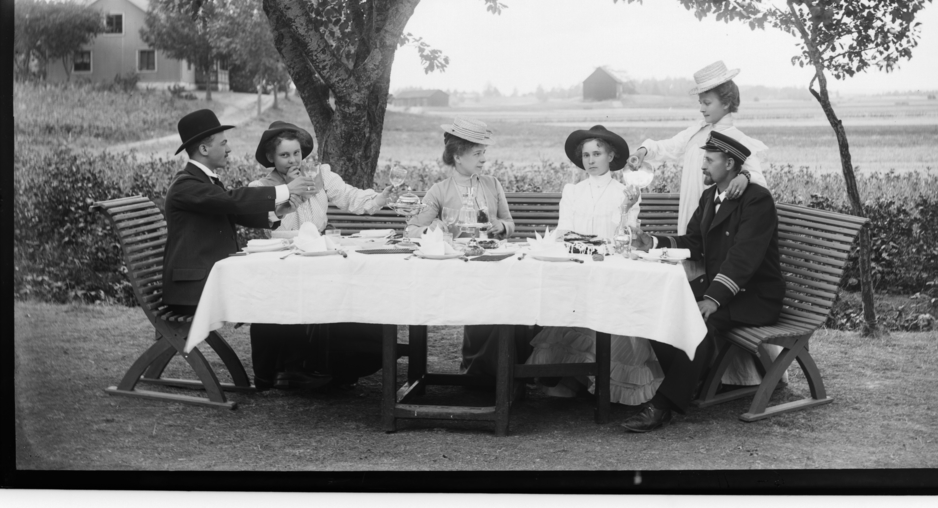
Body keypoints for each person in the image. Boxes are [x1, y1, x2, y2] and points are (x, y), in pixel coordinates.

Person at [620, 132, 784, 433]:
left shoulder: (757, 200)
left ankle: (662, 405)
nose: (702, 166)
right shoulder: (710, 197)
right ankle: (692, 381)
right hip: (722, 288)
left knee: (698, 320)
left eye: (709, 160)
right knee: (657, 306)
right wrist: (651, 241)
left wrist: (713, 299)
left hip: (754, 296)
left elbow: (743, 258)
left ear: (730, 164)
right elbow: (694, 242)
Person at [628, 59, 777, 386]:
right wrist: (643, 151)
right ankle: (702, 376)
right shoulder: (698, 132)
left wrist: (745, 176)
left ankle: (720, 376)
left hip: (724, 230)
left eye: (707, 102)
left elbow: (757, 181)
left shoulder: (733, 138)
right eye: (700, 102)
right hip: (702, 216)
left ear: (727, 101)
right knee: (683, 291)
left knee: (702, 297)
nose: (701, 108)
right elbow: (669, 147)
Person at [160, 109, 314, 391]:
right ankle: (277, 373)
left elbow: (230, 209)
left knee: (282, 289)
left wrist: (278, 211)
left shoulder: (203, 183)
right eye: (223, 143)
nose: (229, 148)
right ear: (204, 149)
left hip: (204, 281)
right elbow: (231, 201)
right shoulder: (186, 185)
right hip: (192, 290)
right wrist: (285, 190)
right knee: (274, 294)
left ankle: (284, 371)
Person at [247, 120, 396, 391]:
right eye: (284, 155)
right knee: (285, 295)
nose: (293, 160)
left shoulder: (321, 176)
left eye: (296, 153)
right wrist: (290, 191)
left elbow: (350, 197)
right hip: (283, 258)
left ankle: (337, 364)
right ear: (271, 157)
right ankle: (286, 369)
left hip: (320, 256)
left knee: (348, 289)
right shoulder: (262, 187)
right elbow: (267, 222)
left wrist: (378, 198)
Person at [526, 126, 664, 405]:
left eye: (597, 154)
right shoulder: (573, 191)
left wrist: (626, 209)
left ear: (611, 156)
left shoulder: (625, 192)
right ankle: (571, 377)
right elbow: (564, 231)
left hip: (610, 269)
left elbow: (626, 238)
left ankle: (598, 382)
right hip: (578, 266)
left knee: (608, 309)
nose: (591, 160)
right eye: (586, 155)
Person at [405, 118, 530, 384]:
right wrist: (433, 228)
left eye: (484, 152)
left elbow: (509, 223)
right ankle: (480, 368)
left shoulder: (492, 184)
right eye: (477, 153)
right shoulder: (439, 191)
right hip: (457, 269)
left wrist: (501, 226)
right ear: (457, 156)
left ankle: (502, 370)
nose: (484, 159)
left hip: (491, 261)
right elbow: (412, 229)